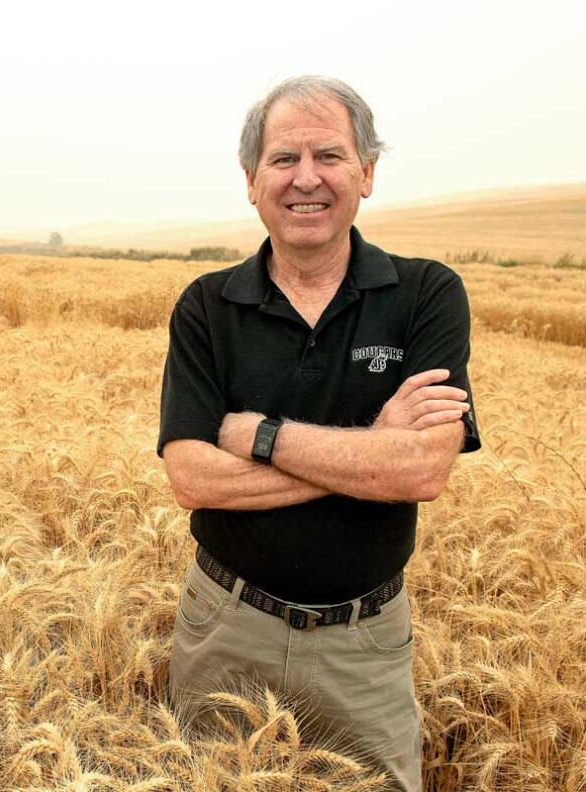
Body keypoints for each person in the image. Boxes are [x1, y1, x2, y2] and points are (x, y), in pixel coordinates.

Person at [157, 76, 480, 792]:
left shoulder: (427, 294)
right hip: (225, 630)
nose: (307, 179)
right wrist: (372, 446)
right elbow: (191, 478)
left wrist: (259, 435)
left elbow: (421, 472)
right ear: (251, 182)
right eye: (283, 159)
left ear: (366, 173)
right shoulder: (207, 307)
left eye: (329, 156)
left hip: (363, 644)